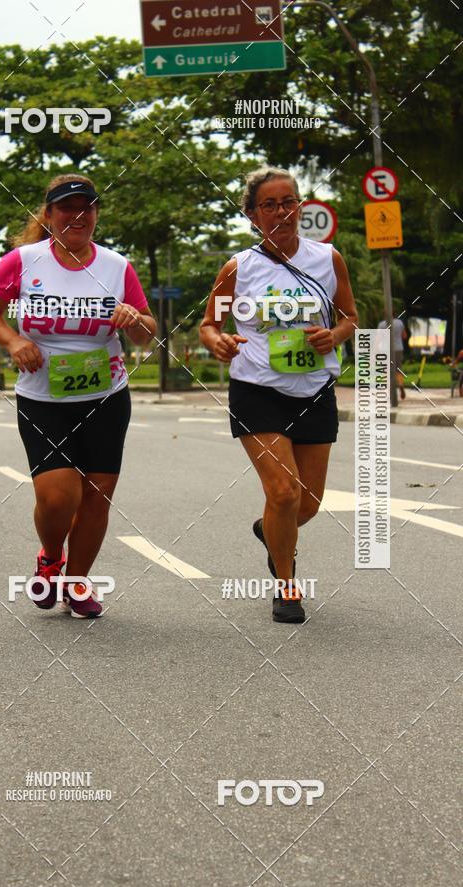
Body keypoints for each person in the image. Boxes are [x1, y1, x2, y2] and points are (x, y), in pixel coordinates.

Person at [0, 174, 156, 618]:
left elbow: (148, 333)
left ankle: (78, 581)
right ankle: (51, 557)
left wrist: (133, 319)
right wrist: (14, 342)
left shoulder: (116, 266)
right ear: (49, 215)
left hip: (106, 396)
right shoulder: (22, 261)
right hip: (43, 399)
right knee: (58, 497)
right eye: (67, 208)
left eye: (87, 208)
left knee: (97, 493)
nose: (79, 216)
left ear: (96, 214)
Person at [200, 167, 358, 624]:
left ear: (300, 207)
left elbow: (349, 316)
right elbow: (210, 325)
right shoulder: (239, 268)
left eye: (289, 201)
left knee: (307, 503)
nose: (282, 212)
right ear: (252, 215)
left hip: (314, 389)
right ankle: (287, 585)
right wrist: (219, 343)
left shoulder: (328, 259)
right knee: (284, 493)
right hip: (257, 389)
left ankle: (271, 531)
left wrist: (335, 334)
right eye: (269, 205)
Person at [378, 316, 407, 400]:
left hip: (385, 348)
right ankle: (401, 384)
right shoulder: (400, 323)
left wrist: (375, 349)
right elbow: (404, 336)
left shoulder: (382, 324)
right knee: (398, 369)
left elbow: (378, 338)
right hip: (398, 348)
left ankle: (387, 392)